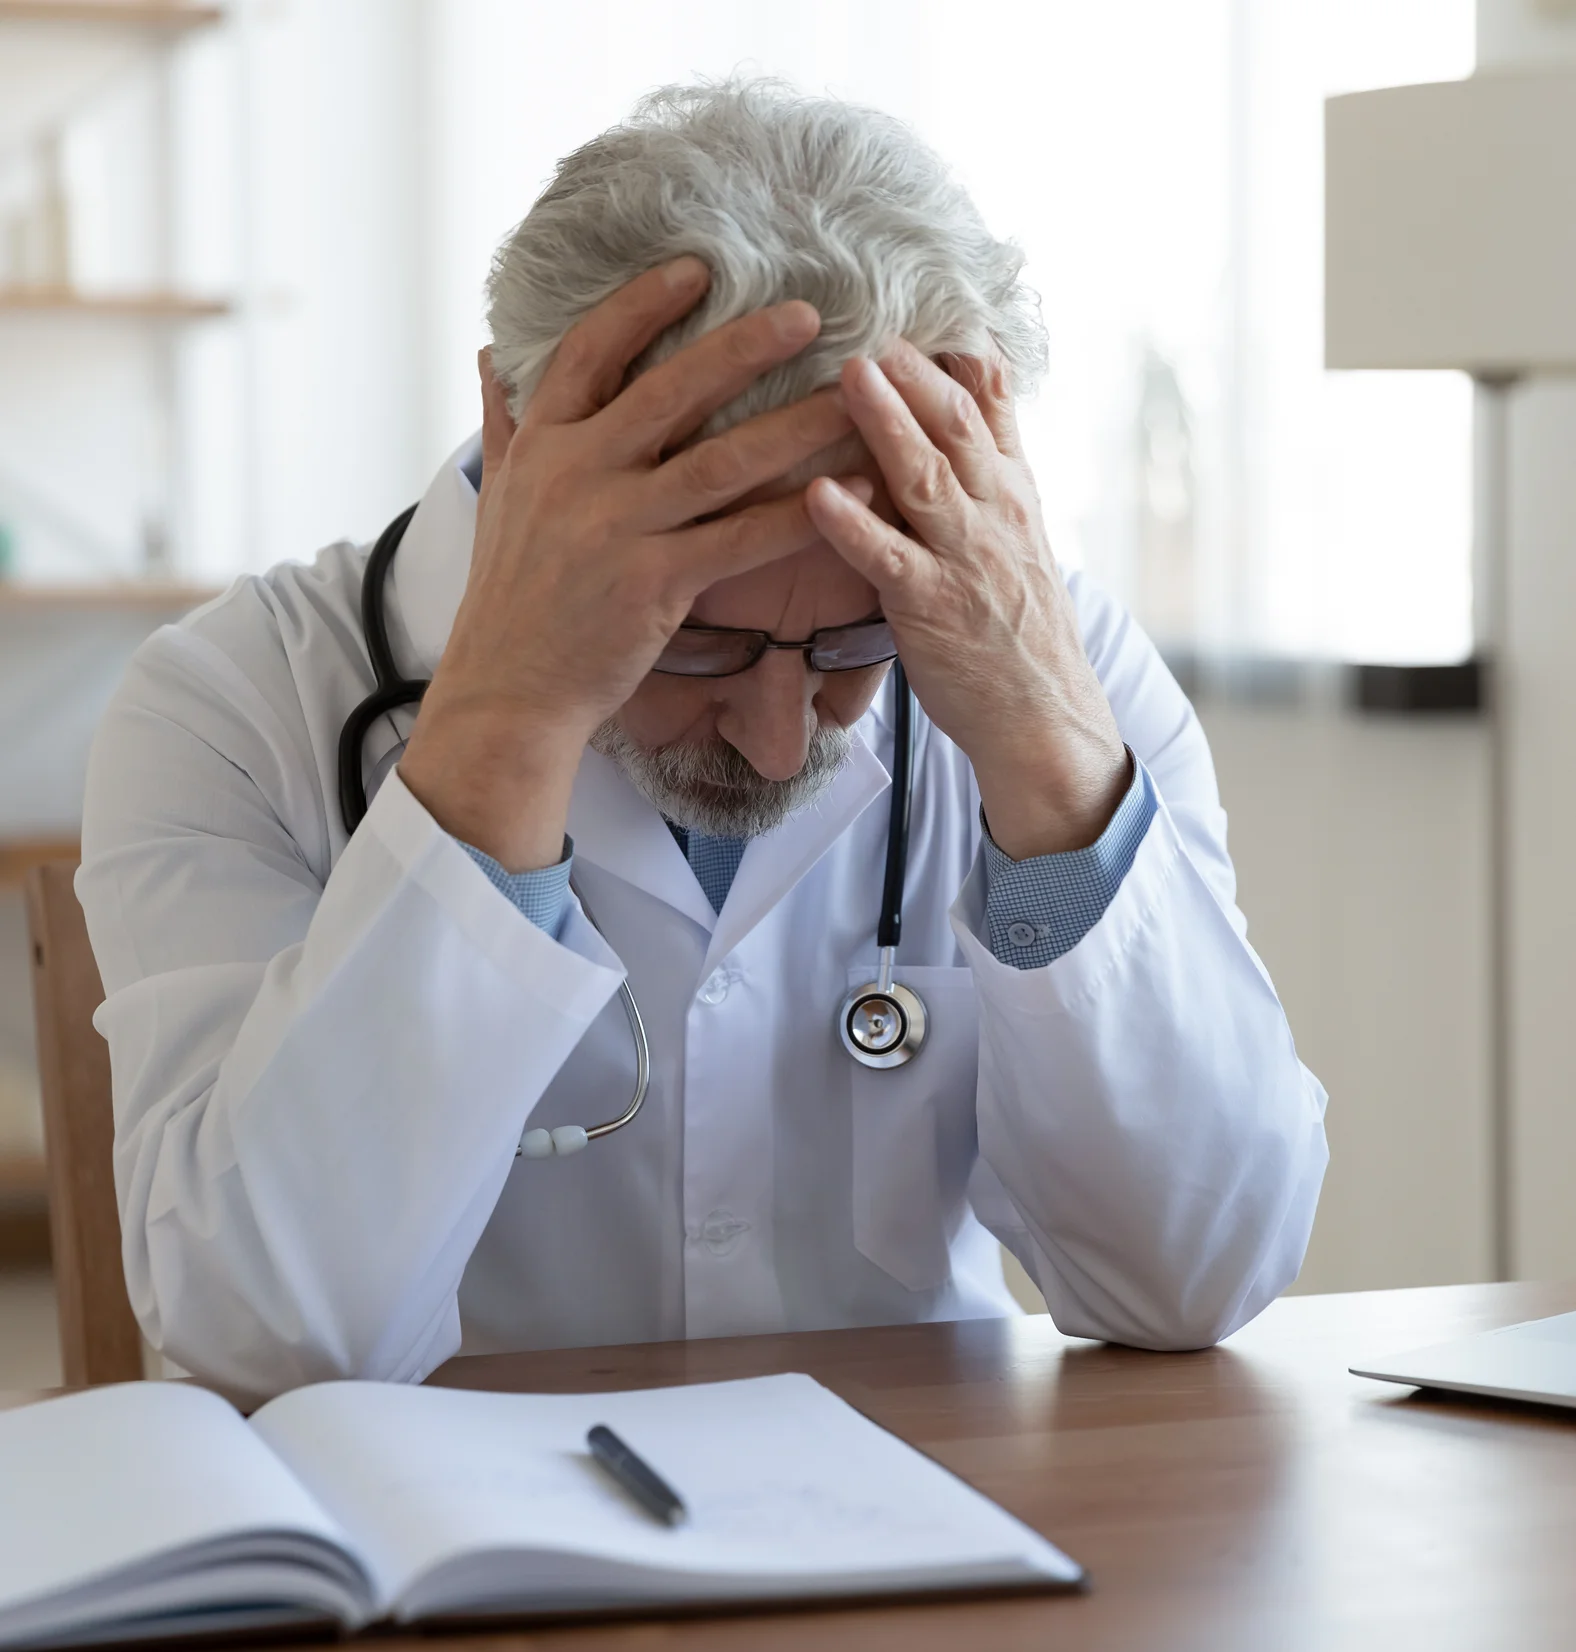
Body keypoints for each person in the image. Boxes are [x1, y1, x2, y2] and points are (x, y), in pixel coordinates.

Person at [78, 81, 1327, 1398]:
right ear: (523, 451)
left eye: (853, 646)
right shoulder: (230, 706)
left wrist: (1049, 750)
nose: (782, 744)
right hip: (450, 1563)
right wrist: (509, 718)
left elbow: (1196, 1274)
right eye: (697, 644)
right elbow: (267, 1337)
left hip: (916, 1529)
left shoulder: (1054, 671)